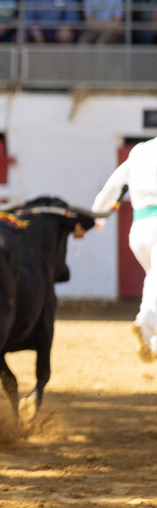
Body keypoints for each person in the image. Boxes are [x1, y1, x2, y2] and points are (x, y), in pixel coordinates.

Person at [92, 137, 157, 361]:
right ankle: (147, 322)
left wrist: (98, 216)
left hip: (139, 229)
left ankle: (153, 342)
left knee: (154, 279)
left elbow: (112, 186)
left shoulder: (139, 151)